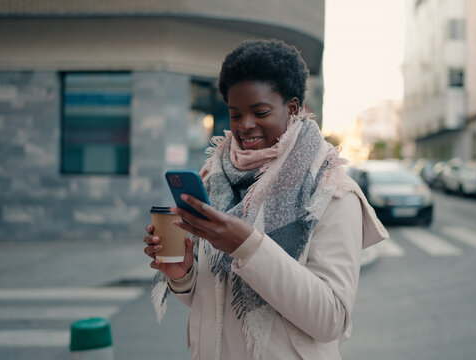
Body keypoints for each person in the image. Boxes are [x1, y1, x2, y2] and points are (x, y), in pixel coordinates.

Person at [143, 39, 388, 360]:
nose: (245, 125)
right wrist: (184, 275)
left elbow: (332, 319)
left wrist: (248, 247)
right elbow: (217, 303)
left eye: (260, 112)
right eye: (234, 114)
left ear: (293, 108)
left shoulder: (332, 191)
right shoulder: (215, 180)